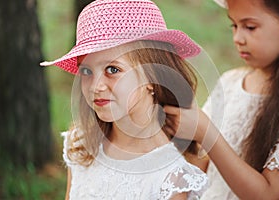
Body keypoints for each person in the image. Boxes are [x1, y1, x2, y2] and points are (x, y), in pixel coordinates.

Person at [41, 0, 208, 199]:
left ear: (152, 75)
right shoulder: (81, 144)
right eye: (86, 71)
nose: (95, 86)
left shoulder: (170, 178)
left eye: (113, 70)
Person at [164, 0, 279, 199]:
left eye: (250, 27)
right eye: (234, 25)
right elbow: (199, 164)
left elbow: (268, 195)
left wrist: (206, 133)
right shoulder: (229, 83)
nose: (237, 38)